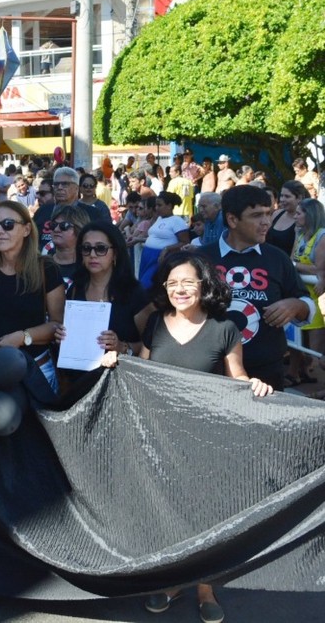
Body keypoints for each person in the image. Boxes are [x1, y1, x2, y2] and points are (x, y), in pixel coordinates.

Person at [104, 252, 271, 623]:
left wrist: (253, 384)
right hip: (159, 436)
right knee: (167, 512)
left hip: (207, 436)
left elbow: (237, 377)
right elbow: (143, 372)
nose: (179, 289)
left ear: (204, 284)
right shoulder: (155, 324)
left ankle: (205, 587)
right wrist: (118, 360)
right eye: (172, 282)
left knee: (206, 515)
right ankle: (173, 581)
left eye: (187, 282)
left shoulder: (224, 327)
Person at [198, 184, 314, 390]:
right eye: (256, 215)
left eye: (269, 214)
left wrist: (295, 305)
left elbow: (306, 303)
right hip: (210, 368)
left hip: (267, 371)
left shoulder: (277, 258)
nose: (266, 222)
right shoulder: (201, 258)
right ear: (232, 219)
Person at [0, 200, 65, 391]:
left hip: (35, 366)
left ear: (27, 229)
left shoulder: (46, 268)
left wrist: (22, 337)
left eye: (8, 225)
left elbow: (57, 323)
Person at [56, 221, 149, 382]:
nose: (92, 254)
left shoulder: (134, 293)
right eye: (86, 248)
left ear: (115, 253)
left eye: (100, 248)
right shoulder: (75, 289)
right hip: (79, 382)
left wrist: (122, 347)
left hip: (120, 383)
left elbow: (151, 346)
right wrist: (61, 336)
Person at [289, 198, 325, 386]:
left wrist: (296, 265)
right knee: (295, 341)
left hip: (315, 297)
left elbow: (318, 269)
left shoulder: (322, 236)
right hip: (299, 293)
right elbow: (292, 259)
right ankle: (297, 372)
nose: (295, 216)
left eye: (299, 213)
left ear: (310, 215)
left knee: (315, 349)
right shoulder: (300, 234)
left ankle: (316, 380)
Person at [139, 191, 190, 289]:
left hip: (160, 257)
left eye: (159, 205)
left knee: (147, 284)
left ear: (169, 206)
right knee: (142, 282)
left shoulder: (177, 221)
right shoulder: (159, 219)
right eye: (156, 205)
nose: (156, 208)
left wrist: (167, 249)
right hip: (147, 255)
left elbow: (185, 242)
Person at [48, 204, 91, 289]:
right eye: (53, 225)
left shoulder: (89, 266)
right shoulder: (42, 265)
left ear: (79, 229)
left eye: (64, 226)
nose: (56, 229)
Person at [267, 181, 309, 255]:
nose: (282, 199)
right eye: (281, 196)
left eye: (287, 196)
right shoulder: (277, 214)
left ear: (299, 198)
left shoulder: (303, 220)